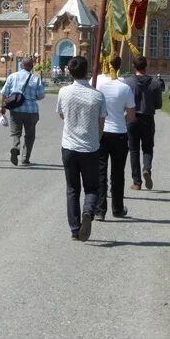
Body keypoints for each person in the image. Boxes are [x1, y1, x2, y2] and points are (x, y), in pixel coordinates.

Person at [56, 56, 106, 242]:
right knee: (92, 187)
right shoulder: (97, 95)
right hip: (91, 147)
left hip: (69, 146)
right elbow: (102, 122)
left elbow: (61, 115)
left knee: (72, 189)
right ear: (87, 71)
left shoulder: (64, 92)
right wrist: (97, 137)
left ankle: (75, 229)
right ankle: (88, 212)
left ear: (69, 71)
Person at [95, 56, 135, 220]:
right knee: (118, 173)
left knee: (100, 172)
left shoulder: (97, 83)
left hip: (100, 133)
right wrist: (121, 119)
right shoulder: (124, 87)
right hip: (119, 132)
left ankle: (100, 210)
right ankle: (117, 208)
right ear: (119, 66)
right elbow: (131, 115)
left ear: (105, 63)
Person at [125, 55, 163, 191]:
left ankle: (137, 182)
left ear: (133, 67)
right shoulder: (155, 83)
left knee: (134, 150)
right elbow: (159, 104)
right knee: (147, 147)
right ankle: (147, 168)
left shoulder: (127, 82)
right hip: (148, 118)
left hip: (132, 118)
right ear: (146, 66)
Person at [0, 56, 45, 166]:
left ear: (21, 65)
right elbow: (41, 95)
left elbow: (4, 92)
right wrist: (32, 98)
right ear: (32, 66)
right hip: (31, 111)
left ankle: (15, 147)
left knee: (16, 132)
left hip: (16, 109)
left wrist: (2, 107)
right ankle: (25, 158)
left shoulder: (12, 76)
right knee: (30, 135)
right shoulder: (36, 79)